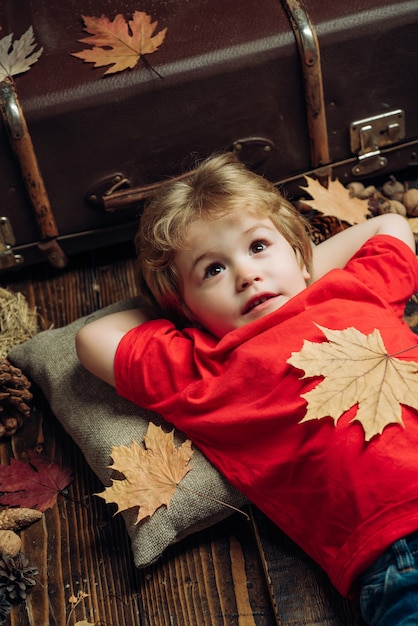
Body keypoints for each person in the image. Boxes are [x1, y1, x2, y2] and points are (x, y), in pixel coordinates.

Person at [76, 153, 418, 625]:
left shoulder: (351, 289)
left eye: (258, 246)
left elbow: (389, 226)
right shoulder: (204, 368)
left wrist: (299, 270)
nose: (246, 274)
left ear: (299, 253)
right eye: (212, 270)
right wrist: (179, 312)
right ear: (185, 307)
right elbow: (92, 338)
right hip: (399, 548)